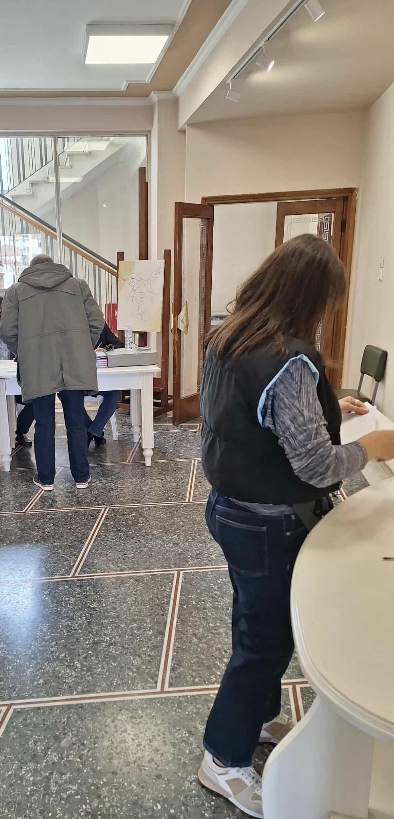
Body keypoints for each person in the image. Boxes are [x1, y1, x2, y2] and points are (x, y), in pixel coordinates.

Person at [197, 233, 394, 818]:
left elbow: (253, 416)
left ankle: (256, 719)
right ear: (311, 296)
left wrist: (329, 407)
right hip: (266, 524)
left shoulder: (230, 335)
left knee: (257, 624)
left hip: (231, 509)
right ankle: (223, 761)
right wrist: (377, 445)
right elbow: (315, 465)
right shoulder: (286, 359)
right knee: (265, 643)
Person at [0, 253, 104, 490]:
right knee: (76, 420)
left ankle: (46, 478)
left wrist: (25, 351)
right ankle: (81, 476)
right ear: (53, 265)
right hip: (74, 361)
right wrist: (81, 346)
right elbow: (97, 321)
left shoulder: (16, 291)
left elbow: (7, 330)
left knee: (44, 422)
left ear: (32, 268)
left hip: (37, 363)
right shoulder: (78, 286)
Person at [0, 295, 34, 448]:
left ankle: (19, 431)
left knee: (36, 398)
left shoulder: (19, 329)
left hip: (13, 378)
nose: (2, 322)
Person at [84, 322, 124, 447]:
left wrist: (105, 349)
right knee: (66, 396)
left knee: (114, 394)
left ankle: (91, 432)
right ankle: (96, 432)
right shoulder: (72, 328)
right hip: (81, 381)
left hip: (102, 380)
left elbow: (119, 344)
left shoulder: (100, 325)